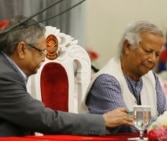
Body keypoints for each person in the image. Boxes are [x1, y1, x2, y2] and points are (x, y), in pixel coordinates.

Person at [0, 15, 133, 137]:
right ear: (22, 49)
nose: (44, 58)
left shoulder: (7, 68)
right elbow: (43, 119)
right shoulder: (4, 77)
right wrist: (102, 120)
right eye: (41, 52)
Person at [84, 20, 167, 133]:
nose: (153, 59)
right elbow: (127, 125)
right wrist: (166, 123)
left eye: (157, 54)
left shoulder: (152, 78)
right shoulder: (107, 80)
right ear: (127, 46)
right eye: (148, 51)